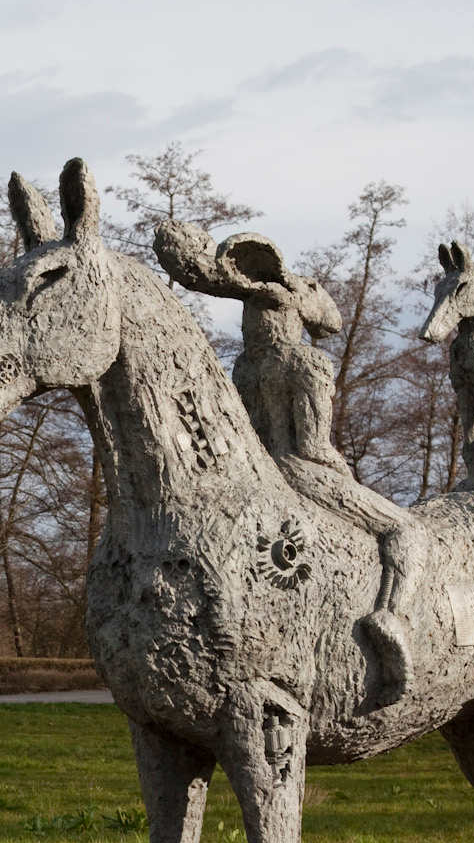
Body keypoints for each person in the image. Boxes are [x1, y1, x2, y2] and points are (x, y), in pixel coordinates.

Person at [155, 225, 431, 704]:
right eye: (310, 290)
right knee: (406, 531)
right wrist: (342, 471)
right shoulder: (308, 364)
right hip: (300, 470)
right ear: (293, 306)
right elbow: (314, 446)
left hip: (256, 471)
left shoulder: (244, 367)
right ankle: (390, 618)